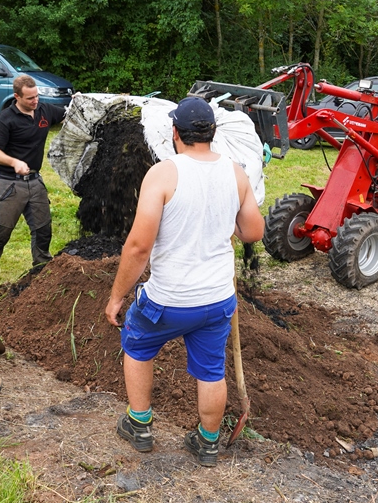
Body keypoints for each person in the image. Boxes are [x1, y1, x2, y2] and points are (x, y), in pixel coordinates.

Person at [105, 97, 265, 467]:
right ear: (213, 133)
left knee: (137, 344)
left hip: (168, 299)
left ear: (175, 132)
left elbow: (139, 246)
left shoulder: (163, 173)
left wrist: (117, 297)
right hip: (217, 298)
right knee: (210, 370)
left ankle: (139, 425)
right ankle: (208, 442)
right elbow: (253, 231)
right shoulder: (235, 173)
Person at [0, 74, 59, 268]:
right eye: (30, 98)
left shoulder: (44, 110)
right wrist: (13, 162)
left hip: (35, 182)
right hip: (10, 184)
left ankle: (41, 270)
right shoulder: (5, 119)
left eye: (37, 96)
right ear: (17, 97)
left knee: (43, 230)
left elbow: (69, 113)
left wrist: (78, 101)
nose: (35, 101)